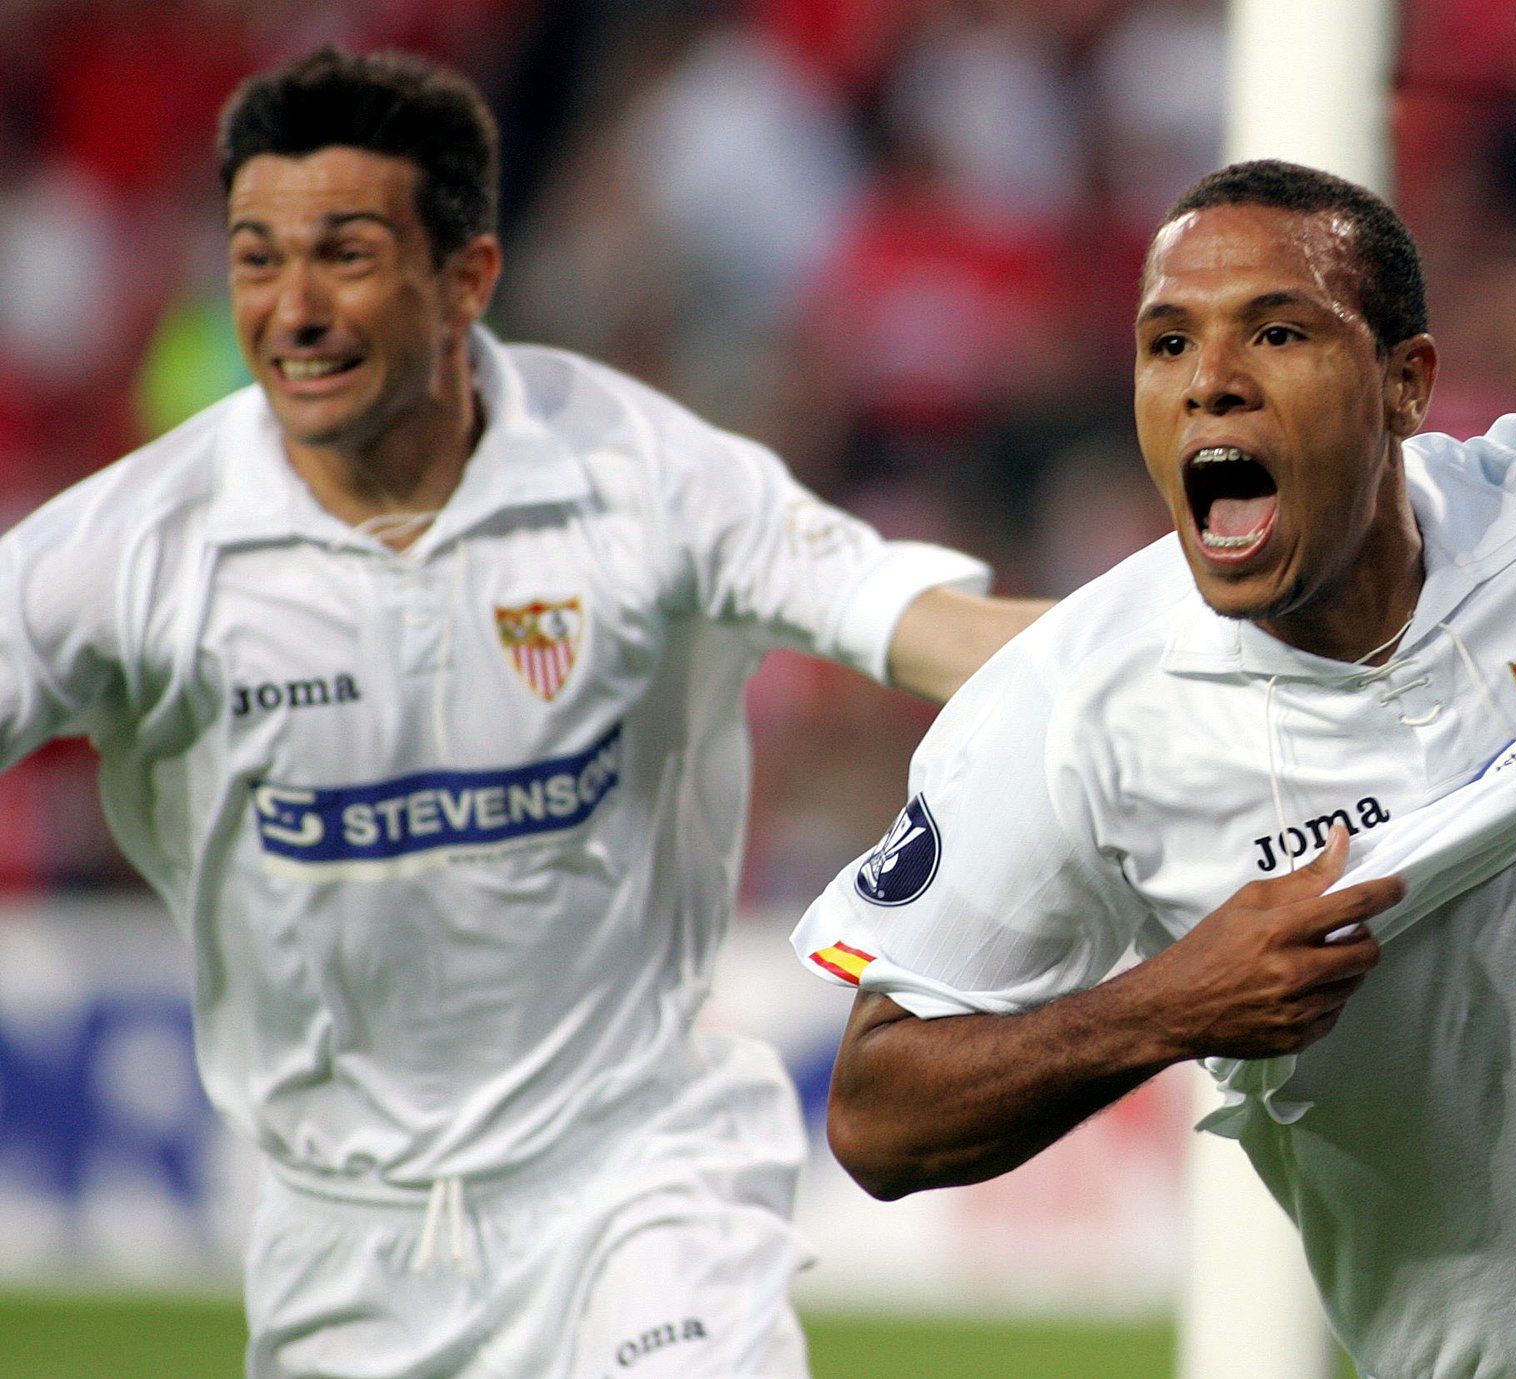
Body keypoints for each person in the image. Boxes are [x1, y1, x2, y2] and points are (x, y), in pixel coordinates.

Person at [793, 160, 1516, 1379]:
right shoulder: (1068, 708)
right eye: (1166, 344)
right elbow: (878, 1113)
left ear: (1404, 383)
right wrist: (1169, 1006)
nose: (1210, 383)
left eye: (1277, 329)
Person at [0, 48, 1043, 1379]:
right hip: (339, 1240)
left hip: (634, 1178)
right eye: (257, 259)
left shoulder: (640, 471)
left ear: (468, 280)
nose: (294, 307)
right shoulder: (134, 546)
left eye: (347, 254)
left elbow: (932, 629)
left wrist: (1204, 644)